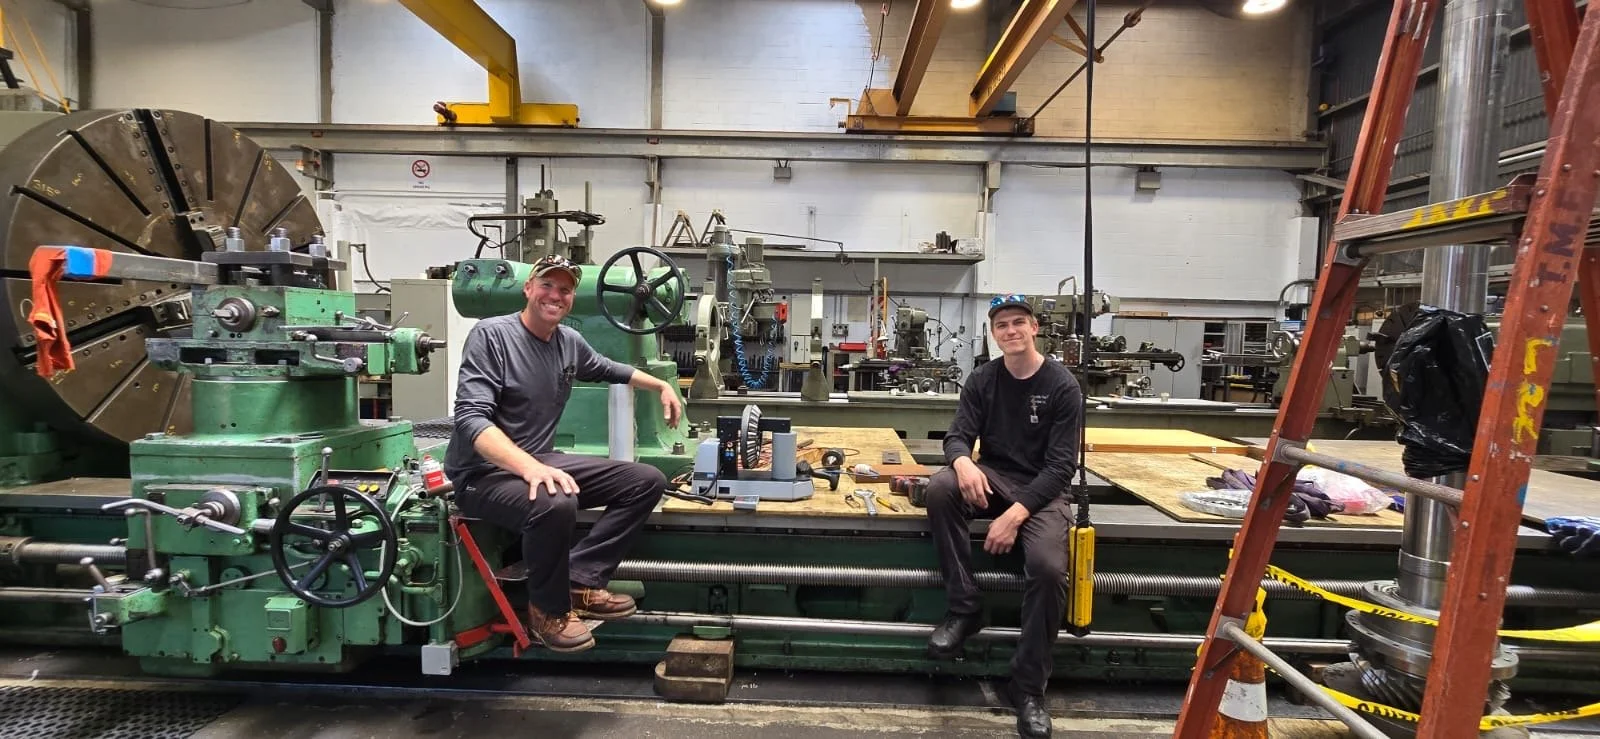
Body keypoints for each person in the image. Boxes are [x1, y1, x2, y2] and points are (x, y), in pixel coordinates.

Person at [444, 253, 683, 653]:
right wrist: (529, 467)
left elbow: (610, 368)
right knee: (555, 502)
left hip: (537, 461)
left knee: (646, 482)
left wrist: (660, 386)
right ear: (528, 288)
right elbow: (471, 421)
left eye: (565, 289)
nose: (556, 295)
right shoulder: (492, 336)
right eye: (547, 285)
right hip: (483, 474)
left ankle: (581, 581)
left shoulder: (567, 341)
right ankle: (547, 612)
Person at [925, 293, 1083, 739]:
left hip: (1043, 492)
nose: (1010, 331)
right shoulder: (982, 380)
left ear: (1035, 328)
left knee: (1050, 571)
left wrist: (1015, 515)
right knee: (940, 489)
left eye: (1018, 323)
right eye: (1002, 326)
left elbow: (1059, 468)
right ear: (994, 334)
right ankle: (965, 607)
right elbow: (957, 437)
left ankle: (1028, 689)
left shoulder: (1062, 386)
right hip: (993, 476)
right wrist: (963, 463)